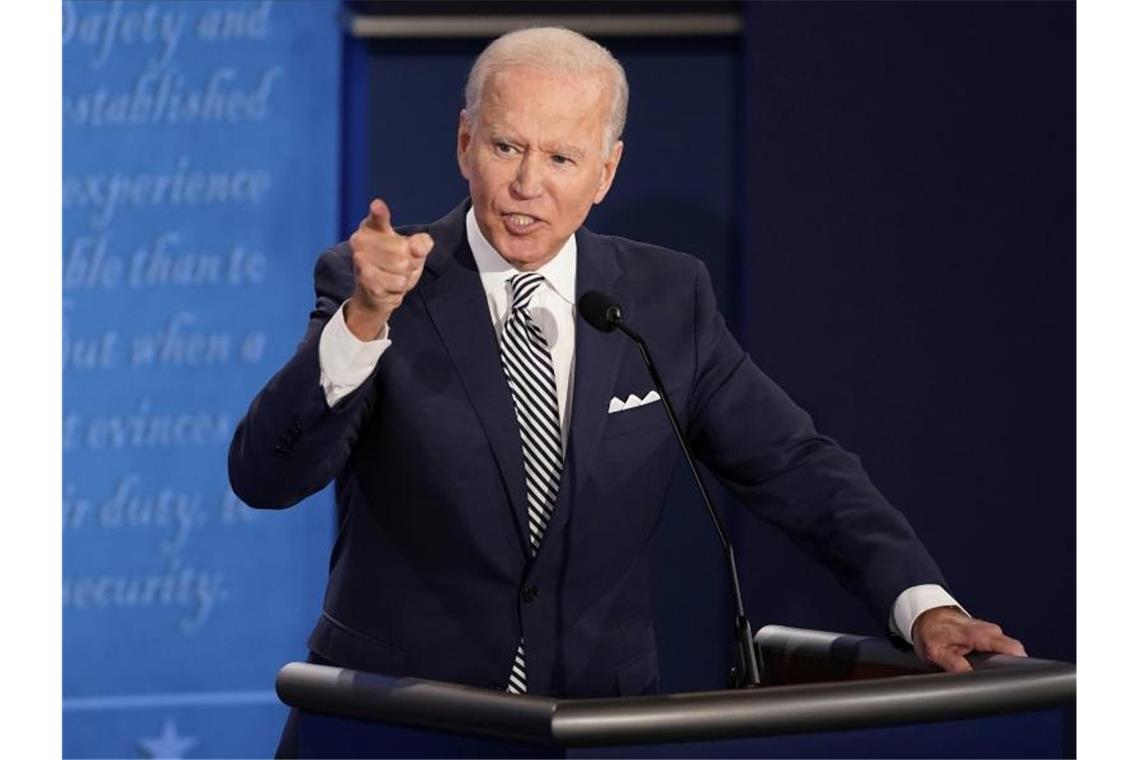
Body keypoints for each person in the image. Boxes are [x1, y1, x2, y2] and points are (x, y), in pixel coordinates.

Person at [229, 24, 1025, 742]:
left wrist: (924, 604)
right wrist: (364, 321)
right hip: (399, 723)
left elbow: (796, 466)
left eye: (562, 157)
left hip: (596, 724)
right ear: (465, 141)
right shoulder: (383, 282)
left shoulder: (664, 298)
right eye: (507, 147)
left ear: (606, 171)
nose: (527, 183)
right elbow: (266, 475)